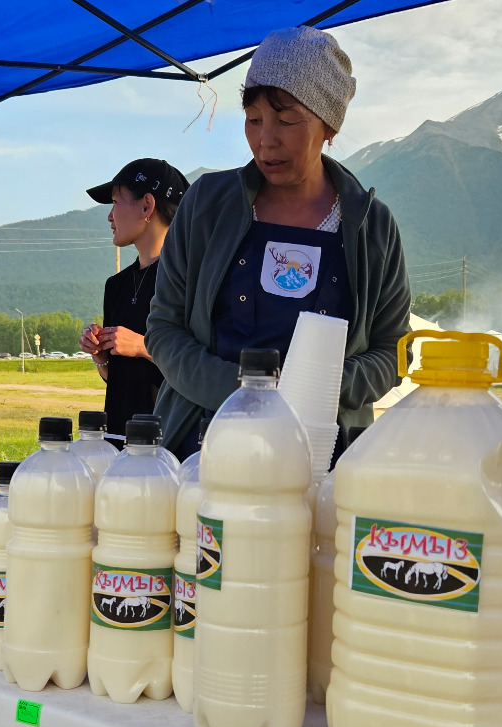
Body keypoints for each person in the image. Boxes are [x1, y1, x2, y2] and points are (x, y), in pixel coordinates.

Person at [146, 26, 410, 457]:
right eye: (254, 120)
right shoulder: (206, 204)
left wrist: (315, 390)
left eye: (286, 121)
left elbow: (392, 351)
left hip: (326, 453)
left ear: (329, 125)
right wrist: (245, 394)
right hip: (204, 445)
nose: (266, 140)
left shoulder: (372, 225)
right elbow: (164, 329)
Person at [80, 158, 186, 440]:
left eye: (115, 202)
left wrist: (142, 346)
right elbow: (118, 378)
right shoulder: (116, 286)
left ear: (147, 206)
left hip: (168, 441)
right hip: (118, 438)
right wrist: (101, 357)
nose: (109, 216)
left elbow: (198, 368)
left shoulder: (190, 282)